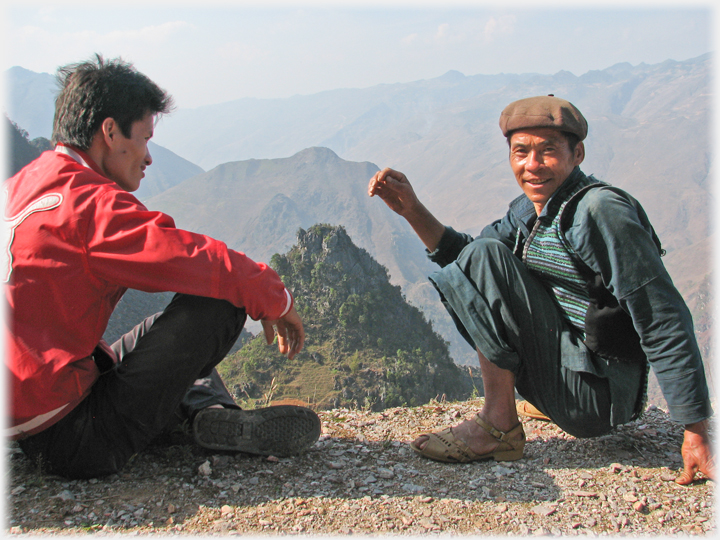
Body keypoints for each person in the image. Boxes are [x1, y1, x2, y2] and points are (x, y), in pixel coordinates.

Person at [368, 95, 714, 485]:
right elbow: (468, 263)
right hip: (576, 374)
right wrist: (412, 210)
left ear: (577, 153)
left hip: (597, 400)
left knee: (486, 256)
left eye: (547, 151)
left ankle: (498, 427)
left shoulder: (600, 213)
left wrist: (696, 431)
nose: (532, 165)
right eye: (521, 153)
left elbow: (661, 314)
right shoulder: (532, 209)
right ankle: (540, 401)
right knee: (484, 255)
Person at [4, 54, 321, 479]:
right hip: (73, 437)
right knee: (220, 302)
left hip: (29, 415)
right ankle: (200, 414)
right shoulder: (90, 206)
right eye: (145, 137)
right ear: (110, 131)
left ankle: (202, 414)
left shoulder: (21, 185)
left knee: (153, 327)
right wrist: (273, 296)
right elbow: (187, 257)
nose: (148, 157)